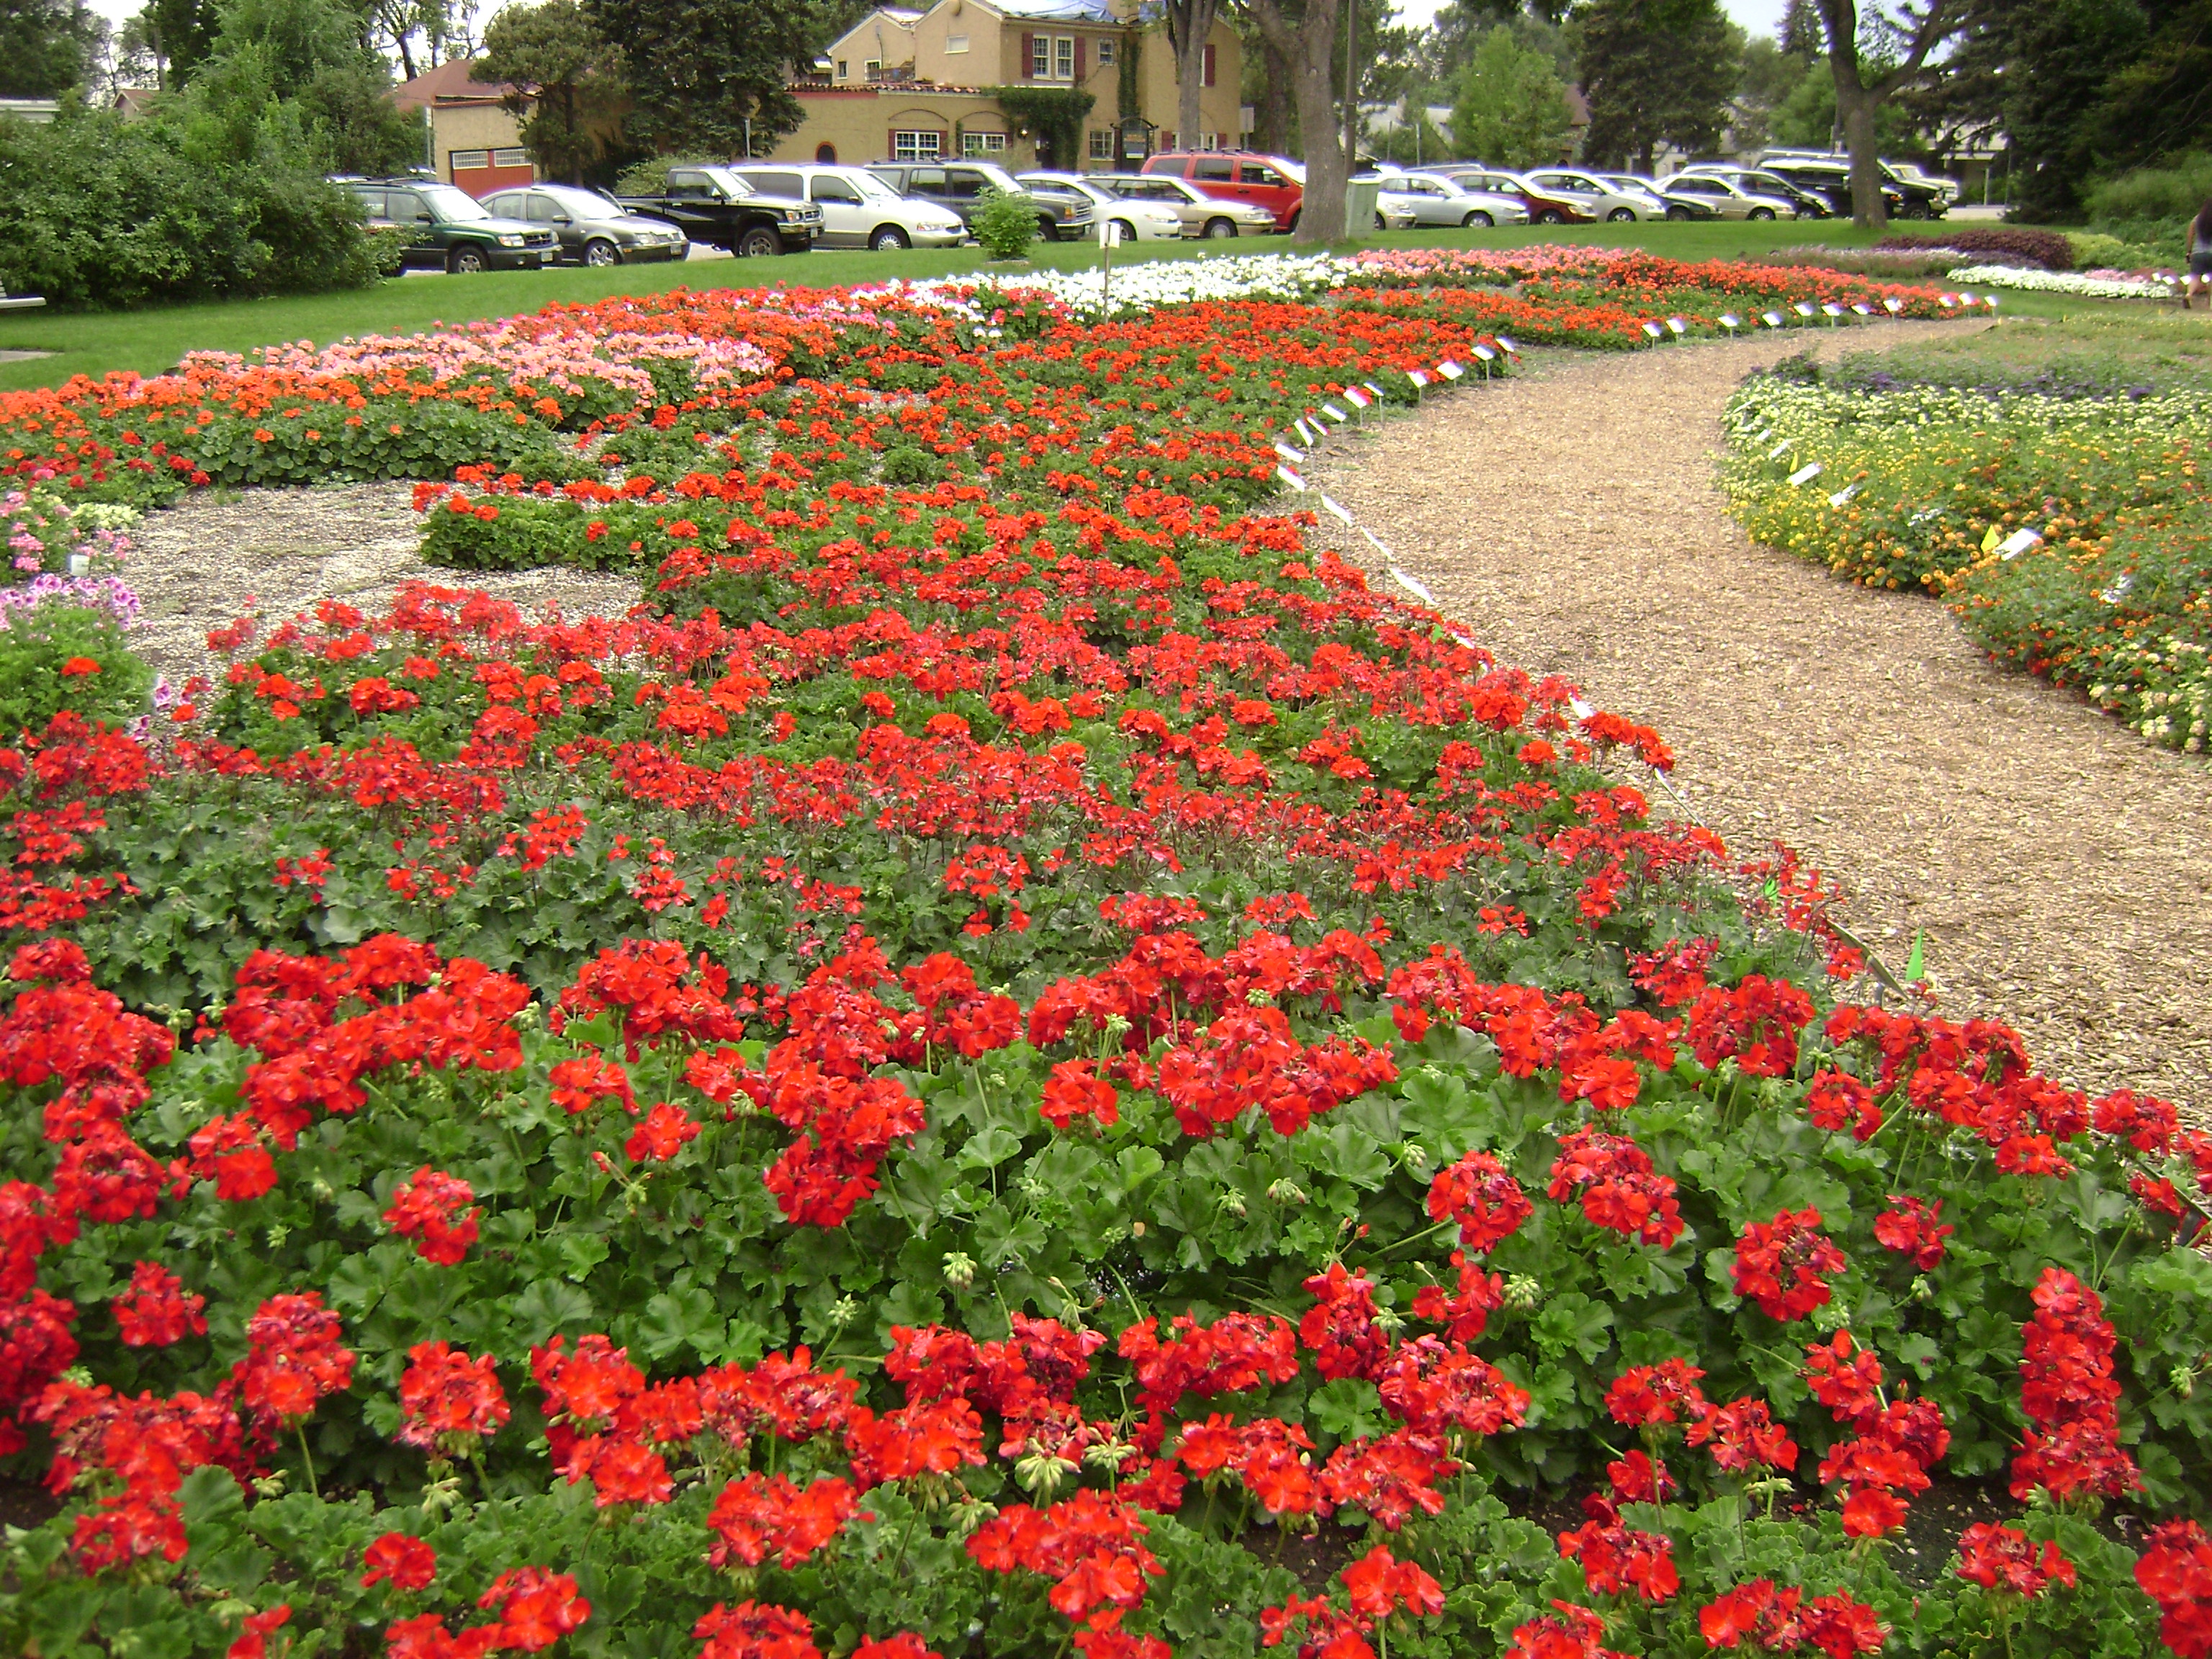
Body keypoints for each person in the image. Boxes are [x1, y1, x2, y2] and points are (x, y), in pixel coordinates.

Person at [2188, 199, 2212, 309]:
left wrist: (2189, 252)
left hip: (2198, 253)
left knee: (2195, 276)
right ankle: (2210, 302)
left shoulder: (2197, 219)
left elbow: (2190, 237)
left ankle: (2189, 294)